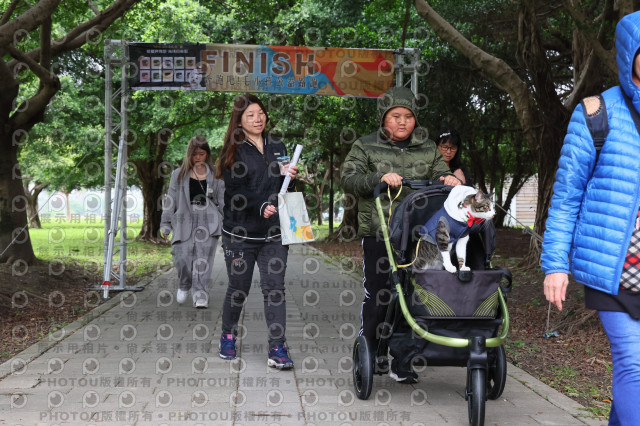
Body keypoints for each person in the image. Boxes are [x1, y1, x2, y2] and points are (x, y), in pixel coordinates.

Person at [541, 11, 640, 426]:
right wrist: (555, 265)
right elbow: (566, 197)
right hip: (613, 271)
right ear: (631, 54)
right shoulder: (597, 113)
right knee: (633, 363)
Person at [341, 86, 460, 383]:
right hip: (380, 232)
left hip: (419, 236)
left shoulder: (428, 147)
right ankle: (371, 350)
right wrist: (379, 178)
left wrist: (448, 178)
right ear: (384, 118)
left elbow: (441, 172)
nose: (403, 122)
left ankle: (403, 360)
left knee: (415, 295)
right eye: (396, 116)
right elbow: (349, 178)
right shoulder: (365, 145)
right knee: (380, 295)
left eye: (408, 116)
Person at [215, 93, 298, 370]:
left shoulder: (277, 145)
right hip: (240, 234)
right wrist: (260, 205)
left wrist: (290, 176)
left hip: (274, 232)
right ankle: (228, 335)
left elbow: (283, 186)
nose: (257, 118)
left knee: (275, 289)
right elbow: (236, 192)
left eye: (260, 113)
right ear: (239, 121)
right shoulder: (233, 151)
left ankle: (277, 347)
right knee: (239, 288)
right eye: (250, 115)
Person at [160, 136, 224, 308]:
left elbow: (222, 201)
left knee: (203, 260)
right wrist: (165, 224)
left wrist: (226, 224)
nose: (198, 157)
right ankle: (184, 283)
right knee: (181, 256)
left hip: (209, 221)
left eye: (201, 154)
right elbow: (170, 201)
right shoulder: (178, 174)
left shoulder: (216, 175)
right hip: (184, 219)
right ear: (189, 154)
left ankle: (200, 294)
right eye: (194, 154)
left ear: (207, 154)